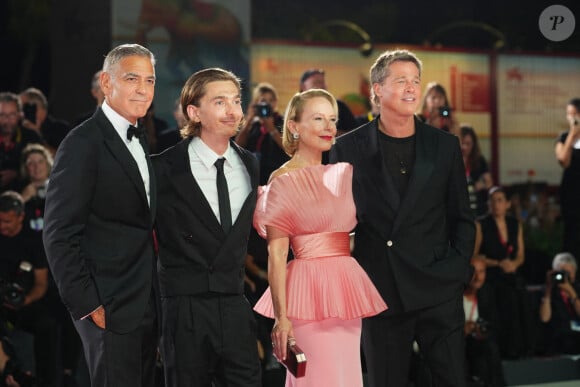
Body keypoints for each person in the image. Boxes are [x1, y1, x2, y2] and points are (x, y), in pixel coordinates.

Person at [330, 49, 475, 387]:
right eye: (401, 81)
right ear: (377, 90)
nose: (412, 88)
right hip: (381, 292)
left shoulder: (444, 146)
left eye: (415, 81)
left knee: (452, 379)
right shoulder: (347, 148)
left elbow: (463, 218)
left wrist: (454, 271)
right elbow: (339, 221)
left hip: (437, 287)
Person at [253, 88, 387, 387]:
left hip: (345, 290)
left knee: (346, 377)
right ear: (294, 126)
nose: (329, 127)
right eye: (318, 118)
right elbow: (276, 256)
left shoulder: (342, 173)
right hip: (306, 295)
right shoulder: (282, 179)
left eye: (332, 119)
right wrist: (281, 318)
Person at [43, 43, 159, 387]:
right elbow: (58, 233)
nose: (143, 88)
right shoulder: (83, 142)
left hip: (144, 302)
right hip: (106, 304)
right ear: (107, 84)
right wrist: (87, 304)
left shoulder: (140, 140)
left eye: (150, 80)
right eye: (132, 78)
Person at [152, 67, 261, 387]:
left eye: (237, 101)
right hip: (183, 309)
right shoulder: (162, 168)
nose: (233, 110)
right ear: (194, 112)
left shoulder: (250, 163)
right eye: (220, 101)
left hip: (234, 303)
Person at [0, 191, 59, 387]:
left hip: (25, 303)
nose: (2, 226)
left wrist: (24, 300)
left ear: (21, 217)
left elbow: (41, 284)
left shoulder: (33, 242)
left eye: (7, 221)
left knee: (48, 326)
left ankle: (48, 381)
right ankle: (11, 372)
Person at [474, 186, 533, 359]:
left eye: (500, 200)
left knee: (522, 294)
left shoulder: (515, 224)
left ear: (507, 204)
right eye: (492, 200)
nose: (495, 204)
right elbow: (475, 255)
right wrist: (498, 263)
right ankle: (506, 349)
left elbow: (521, 255)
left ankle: (526, 346)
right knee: (507, 297)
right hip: (492, 273)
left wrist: (513, 264)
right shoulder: (481, 224)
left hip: (511, 273)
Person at [235, 81, 289, 185]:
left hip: (276, 177)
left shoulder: (283, 122)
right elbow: (238, 145)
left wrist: (272, 129)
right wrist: (249, 120)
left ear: (276, 102)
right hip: (252, 178)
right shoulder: (253, 124)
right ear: (256, 103)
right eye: (263, 100)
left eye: (271, 100)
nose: (267, 104)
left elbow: (289, 148)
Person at [464, 256, 505, 387]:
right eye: (474, 272)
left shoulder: (486, 292)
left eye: (482, 272)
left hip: (481, 343)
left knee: (489, 347)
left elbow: (494, 324)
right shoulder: (453, 296)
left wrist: (481, 331)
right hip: (459, 342)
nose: (478, 277)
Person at [0, 92, 42, 193]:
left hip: (26, 197)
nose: (7, 120)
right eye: (2, 115)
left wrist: (17, 174)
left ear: (20, 115)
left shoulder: (31, 137)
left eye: (12, 115)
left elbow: (44, 167)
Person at [539, 252, 580, 355]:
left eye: (568, 274)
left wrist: (572, 293)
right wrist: (548, 290)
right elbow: (544, 318)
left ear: (574, 273)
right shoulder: (549, 291)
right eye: (561, 273)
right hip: (558, 339)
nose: (564, 278)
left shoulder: (577, 289)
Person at [555, 98, 580, 262]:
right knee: (572, 237)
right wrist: (573, 134)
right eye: (569, 114)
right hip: (571, 197)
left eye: (575, 114)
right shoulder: (564, 137)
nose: (572, 118)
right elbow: (563, 160)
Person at [299, 69, 358, 136]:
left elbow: (355, 134)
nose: (321, 86)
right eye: (317, 82)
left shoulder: (340, 106)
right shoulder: (295, 110)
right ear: (303, 87)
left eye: (323, 82)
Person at [19, 88, 71, 155]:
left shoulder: (61, 129)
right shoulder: (18, 131)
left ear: (39, 108)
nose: (20, 114)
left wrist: (36, 136)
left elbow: (64, 158)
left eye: (23, 108)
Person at [460, 126, 493, 217]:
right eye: (462, 143)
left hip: (477, 206)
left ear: (473, 144)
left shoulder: (479, 160)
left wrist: (481, 185)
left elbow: (489, 182)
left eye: (468, 144)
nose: (464, 147)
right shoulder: (453, 159)